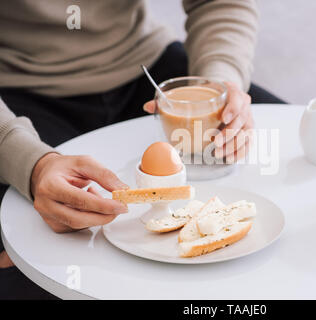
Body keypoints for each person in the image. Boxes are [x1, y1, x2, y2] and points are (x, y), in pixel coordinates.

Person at [0, 0, 284, 299]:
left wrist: (217, 87)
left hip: (141, 60)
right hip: (14, 89)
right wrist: (28, 160)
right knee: (35, 265)